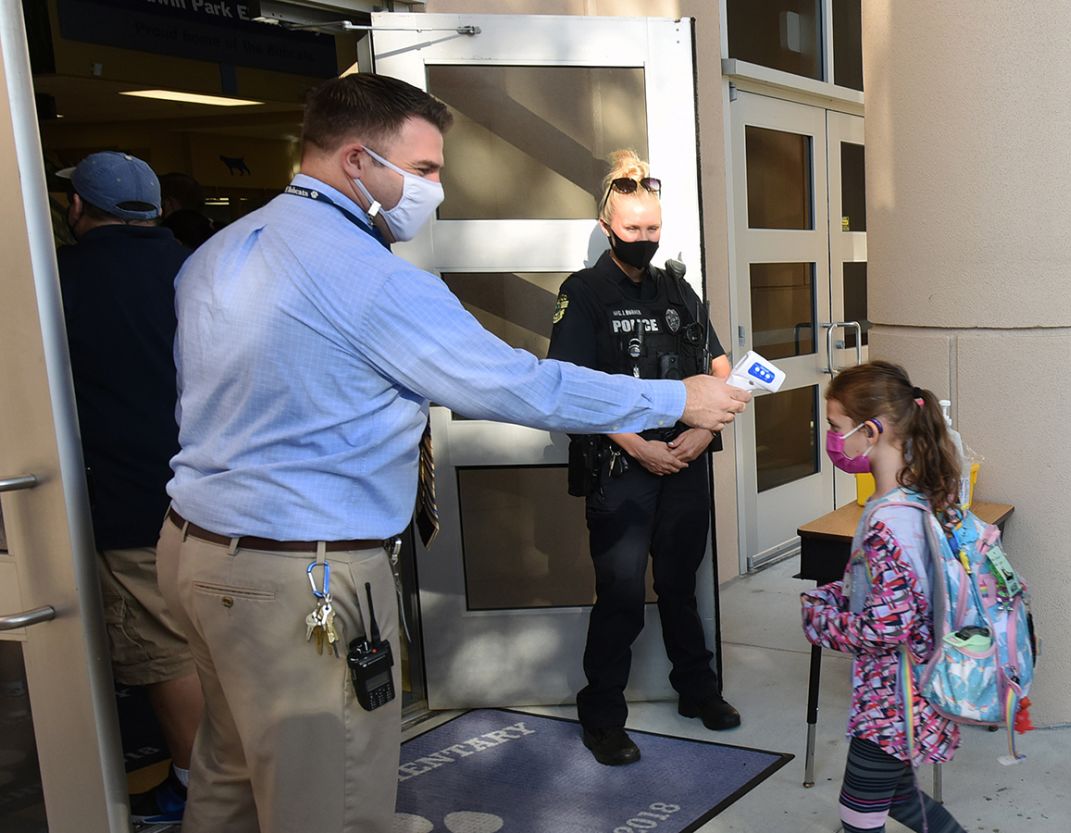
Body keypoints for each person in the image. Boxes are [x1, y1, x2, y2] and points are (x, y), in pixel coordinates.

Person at [157, 74, 749, 833]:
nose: (435, 191)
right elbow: (519, 385)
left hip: (201, 551)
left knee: (231, 779)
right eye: (427, 169)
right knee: (329, 807)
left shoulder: (222, 247)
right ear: (356, 161)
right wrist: (677, 402)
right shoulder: (368, 278)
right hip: (300, 573)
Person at [548, 150, 741, 766]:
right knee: (623, 596)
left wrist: (702, 436)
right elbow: (570, 383)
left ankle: (698, 690)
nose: (644, 240)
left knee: (682, 586)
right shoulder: (583, 293)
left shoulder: (677, 287)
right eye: (632, 230)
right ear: (607, 229)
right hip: (622, 467)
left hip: (686, 460)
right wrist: (638, 445)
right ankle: (603, 716)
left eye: (652, 229)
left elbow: (715, 365)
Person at [55, 151, 202, 826]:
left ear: (77, 208)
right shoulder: (200, 268)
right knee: (222, 643)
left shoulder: (60, 282)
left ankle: (196, 788)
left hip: (132, 499)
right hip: (223, 497)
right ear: (157, 209)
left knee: (166, 650)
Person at [801, 361, 968, 833]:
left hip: (892, 700)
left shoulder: (888, 521)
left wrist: (819, 619)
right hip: (910, 689)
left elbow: (884, 627)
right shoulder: (919, 497)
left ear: (870, 431)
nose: (832, 438)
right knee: (898, 798)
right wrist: (839, 594)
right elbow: (887, 589)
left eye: (836, 426)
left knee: (858, 815)